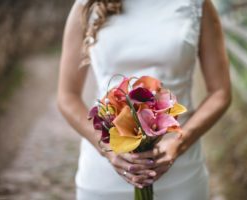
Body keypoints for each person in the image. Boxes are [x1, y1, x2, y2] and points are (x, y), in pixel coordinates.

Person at [57, 0, 231, 199]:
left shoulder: (197, 4)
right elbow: (67, 95)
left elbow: (220, 92)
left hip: (180, 171)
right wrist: (108, 149)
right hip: (106, 172)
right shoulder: (87, 5)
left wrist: (178, 144)